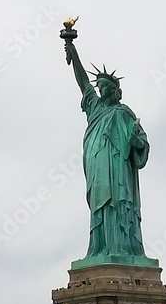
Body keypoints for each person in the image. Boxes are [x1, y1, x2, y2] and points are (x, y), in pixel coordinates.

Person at [63, 29, 150, 261]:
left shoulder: (124, 114)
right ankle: (100, 249)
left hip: (117, 167)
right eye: (99, 86)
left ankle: (122, 248)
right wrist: (73, 51)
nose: (100, 89)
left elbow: (141, 142)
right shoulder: (95, 108)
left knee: (118, 203)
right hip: (97, 166)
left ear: (114, 90)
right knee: (100, 206)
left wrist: (136, 142)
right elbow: (83, 83)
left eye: (104, 87)